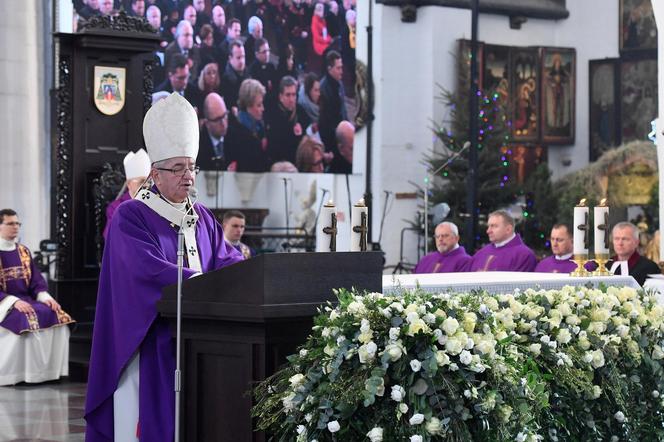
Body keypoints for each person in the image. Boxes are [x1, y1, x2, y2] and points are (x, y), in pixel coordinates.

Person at [85, 93, 243, 441]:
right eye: (178, 168)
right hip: (152, 341)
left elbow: (227, 260)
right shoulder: (132, 215)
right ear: (154, 174)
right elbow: (144, 272)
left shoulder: (200, 216)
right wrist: (200, 281)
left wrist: (247, 271)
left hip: (203, 342)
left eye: (192, 167)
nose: (188, 176)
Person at [0, 209, 74, 386]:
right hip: (4, 302)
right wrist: (13, 302)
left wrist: (45, 297)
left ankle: (48, 372)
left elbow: (36, 281)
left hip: (26, 299)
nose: (16, 227)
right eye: (10, 223)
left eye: (18, 223)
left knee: (57, 314)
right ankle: (19, 375)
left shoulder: (23, 251)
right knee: (24, 318)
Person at [103, 149, 151, 240]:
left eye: (148, 182)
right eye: (141, 182)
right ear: (129, 184)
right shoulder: (116, 208)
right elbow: (113, 239)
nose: (146, 186)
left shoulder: (155, 204)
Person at [467, 210, 537, 272]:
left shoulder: (524, 255)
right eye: (488, 226)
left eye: (494, 226)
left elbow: (519, 285)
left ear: (508, 229)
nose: (488, 231)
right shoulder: (481, 253)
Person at [225, 79, 270, 172]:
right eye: (259, 105)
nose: (263, 109)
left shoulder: (261, 127)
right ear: (248, 106)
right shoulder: (235, 133)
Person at [265, 76, 310, 165]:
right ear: (281, 96)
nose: (291, 99)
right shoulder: (271, 115)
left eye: (294, 95)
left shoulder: (301, 113)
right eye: (288, 95)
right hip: (279, 163)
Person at [318, 50, 347, 154]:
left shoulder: (339, 84)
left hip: (341, 135)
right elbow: (325, 122)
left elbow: (343, 110)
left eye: (341, 67)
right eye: (338, 68)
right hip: (332, 141)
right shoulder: (323, 89)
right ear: (329, 69)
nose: (341, 71)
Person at [197, 93, 229, 171]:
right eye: (217, 120)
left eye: (224, 116)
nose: (223, 123)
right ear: (207, 123)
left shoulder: (239, 139)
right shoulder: (197, 148)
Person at [220, 40, 249, 109]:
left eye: (243, 57)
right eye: (238, 58)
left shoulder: (249, 74)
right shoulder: (225, 81)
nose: (242, 61)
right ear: (230, 58)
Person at [249, 38, 278, 102]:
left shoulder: (271, 66)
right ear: (257, 54)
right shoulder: (253, 70)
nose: (267, 54)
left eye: (268, 50)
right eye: (264, 52)